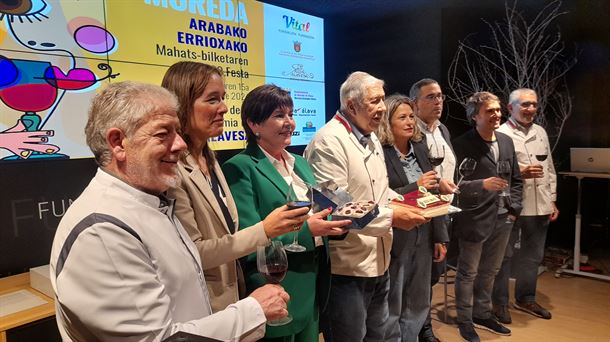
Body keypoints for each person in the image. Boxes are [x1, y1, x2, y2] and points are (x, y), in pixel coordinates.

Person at [49, 81, 290, 342]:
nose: (180, 145)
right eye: (163, 134)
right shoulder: (102, 231)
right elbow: (158, 339)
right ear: (118, 142)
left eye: (177, 131)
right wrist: (253, 310)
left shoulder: (150, 202)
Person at [161, 61, 309, 312]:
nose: (224, 108)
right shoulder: (173, 169)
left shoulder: (210, 158)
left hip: (235, 296)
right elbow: (194, 252)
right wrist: (265, 230)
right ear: (182, 104)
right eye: (212, 100)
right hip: (202, 304)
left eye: (223, 98)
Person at [304, 71, 429, 342]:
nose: (383, 108)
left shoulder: (370, 136)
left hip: (380, 262)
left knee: (379, 335)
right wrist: (394, 216)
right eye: (375, 101)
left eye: (383, 100)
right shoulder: (328, 142)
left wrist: (415, 204)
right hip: (346, 270)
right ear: (351, 106)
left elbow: (379, 195)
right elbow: (337, 209)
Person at [222, 84, 350, 341]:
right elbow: (248, 238)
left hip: (312, 285)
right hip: (276, 289)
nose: (289, 123)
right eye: (279, 115)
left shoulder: (300, 163)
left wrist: (336, 223)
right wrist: (307, 231)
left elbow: (316, 212)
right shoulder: (240, 167)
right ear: (254, 124)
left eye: (291, 114)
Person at [376, 94, 449, 342]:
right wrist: (415, 186)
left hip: (425, 232)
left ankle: (412, 337)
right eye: (402, 117)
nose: (410, 122)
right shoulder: (380, 153)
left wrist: (440, 236)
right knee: (394, 296)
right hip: (398, 233)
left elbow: (433, 192)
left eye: (411, 116)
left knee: (419, 296)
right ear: (387, 122)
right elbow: (383, 197)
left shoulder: (419, 147)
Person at [452, 91, 523, 342]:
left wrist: (515, 210)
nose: (497, 114)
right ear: (475, 116)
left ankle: (483, 313)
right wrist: (482, 184)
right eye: (490, 111)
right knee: (468, 272)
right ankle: (464, 320)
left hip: (503, 218)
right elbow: (454, 184)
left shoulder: (506, 141)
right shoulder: (461, 144)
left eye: (497, 110)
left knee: (490, 271)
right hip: (474, 217)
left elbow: (515, 179)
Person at [492, 88, 559, 323]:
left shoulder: (540, 131)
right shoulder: (499, 133)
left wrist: (552, 199)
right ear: (511, 108)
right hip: (511, 204)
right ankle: (499, 303)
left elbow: (549, 167)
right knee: (504, 255)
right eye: (525, 105)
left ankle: (526, 298)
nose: (530, 109)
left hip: (539, 204)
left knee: (532, 255)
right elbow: (493, 171)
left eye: (533, 104)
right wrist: (520, 172)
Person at [410, 78, 457, 342]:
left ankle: (421, 324)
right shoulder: (410, 133)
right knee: (422, 275)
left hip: (445, 210)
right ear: (415, 102)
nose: (438, 101)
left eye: (440, 96)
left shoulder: (442, 130)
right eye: (431, 97)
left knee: (433, 273)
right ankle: (422, 328)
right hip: (422, 211)